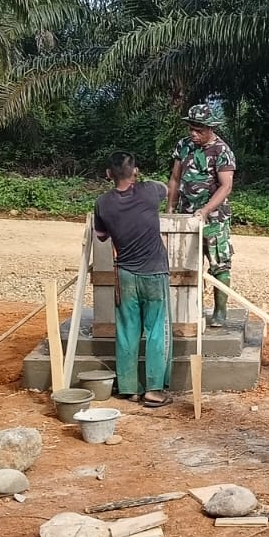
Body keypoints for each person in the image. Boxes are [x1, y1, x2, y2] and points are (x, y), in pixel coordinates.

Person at [93, 152, 172, 407]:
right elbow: (167, 189)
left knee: (127, 331)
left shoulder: (103, 203)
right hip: (154, 273)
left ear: (108, 175)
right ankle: (154, 389)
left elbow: (102, 235)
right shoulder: (150, 192)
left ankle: (128, 388)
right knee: (156, 331)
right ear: (135, 171)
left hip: (125, 274)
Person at [167, 104, 237, 326]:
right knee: (188, 262)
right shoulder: (184, 146)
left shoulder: (222, 151)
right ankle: (192, 308)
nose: (194, 134)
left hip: (214, 218)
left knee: (219, 263)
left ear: (210, 128)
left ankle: (220, 311)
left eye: (199, 130)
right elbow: (175, 178)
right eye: (191, 129)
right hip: (186, 215)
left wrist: (206, 210)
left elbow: (226, 186)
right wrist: (171, 208)